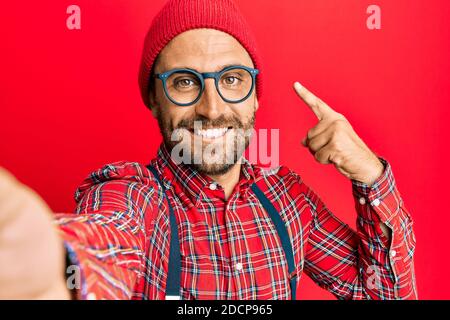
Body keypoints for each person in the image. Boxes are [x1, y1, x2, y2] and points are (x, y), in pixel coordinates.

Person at [0, 0, 417, 300]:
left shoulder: (288, 200)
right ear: (153, 99)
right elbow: (108, 237)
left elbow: (384, 294)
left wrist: (370, 175)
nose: (213, 109)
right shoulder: (135, 194)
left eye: (232, 80)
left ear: (255, 97)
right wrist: (56, 266)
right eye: (184, 82)